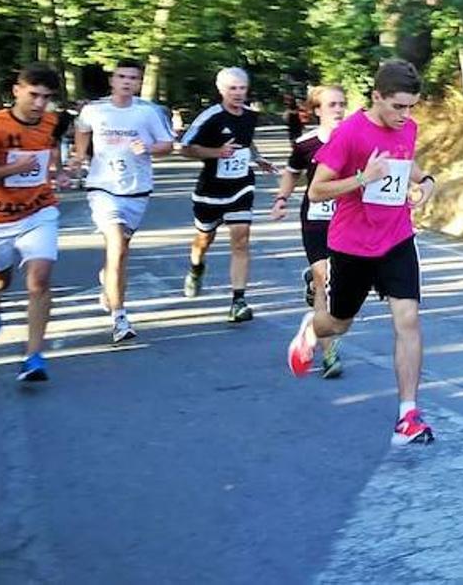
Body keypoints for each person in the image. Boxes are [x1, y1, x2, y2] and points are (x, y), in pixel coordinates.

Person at [286, 61, 438, 446]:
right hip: (352, 245)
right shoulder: (350, 133)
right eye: (398, 107)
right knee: (337, 325)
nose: (406, 116)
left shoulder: (408, 127)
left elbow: (406, 161)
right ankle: (309, 329)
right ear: (377, 97)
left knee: (408, 319)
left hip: (397, 238)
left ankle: (408, 415)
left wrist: (426, 182)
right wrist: (362, 179)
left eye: (412, 107)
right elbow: (317, 190)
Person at [0, 64, 71, 382]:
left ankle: (34, 357)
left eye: (46, 97)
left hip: (39, 211)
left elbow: (49, 148)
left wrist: (57, 172)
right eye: (33, 95)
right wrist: (12, 169)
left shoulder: (51, 121)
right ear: (17, 90)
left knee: (40, 279)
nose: (38, 103)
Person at [69, 60, 176, 344]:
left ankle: (109, 279)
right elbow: (82, 128)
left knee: (121, 253)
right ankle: (119, 318)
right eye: (122, 76)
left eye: (133, 78)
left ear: (139, 83)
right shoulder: (94, 110)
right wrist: (79, 156)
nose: (127, 81)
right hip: (102, 187)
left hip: (136, 189)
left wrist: (149, 148)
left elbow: (167, 145)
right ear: (112, 80)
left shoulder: (148, 113)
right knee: (116, 246)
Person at [179, 67, 276, 322]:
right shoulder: (211, 116)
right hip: (210, 191)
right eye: (232, 88)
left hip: (241, 186)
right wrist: (216, 153)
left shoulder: (250, 116)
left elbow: (246, 142)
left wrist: (258, 158)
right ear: (221, 90)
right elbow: (185, 148)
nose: (238, 93)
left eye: (242, 88)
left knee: (241, 239)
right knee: (203, 240)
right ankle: (196, 267)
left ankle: (238, 301)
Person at [272, 84, 349, 378]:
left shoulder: (356, 139)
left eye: (342, 104)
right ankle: (330, 353)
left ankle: (314, 283)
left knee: (341, 286)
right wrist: (282, 199)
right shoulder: (306, 144)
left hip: (348, 220)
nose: (339, 110)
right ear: (317, 110)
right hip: (317, 219)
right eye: (331, 105)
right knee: (325, 279)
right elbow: (292, 173)